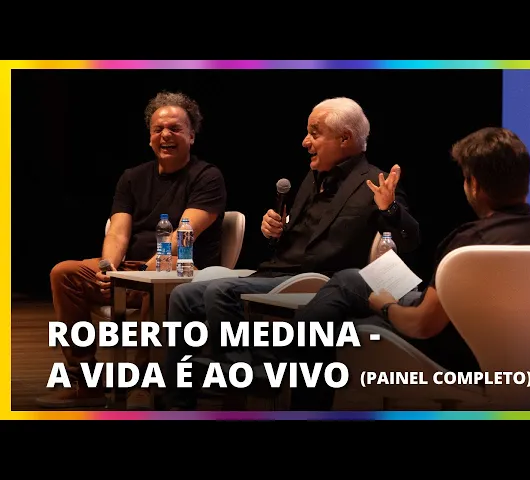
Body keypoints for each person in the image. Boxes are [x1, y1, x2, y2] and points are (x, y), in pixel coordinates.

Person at [162, 96, 421, 410]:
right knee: (183, 295)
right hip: (278, 272)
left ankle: (249, 387)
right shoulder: (312, 179)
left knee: (221, 291)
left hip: (320, 281)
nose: (305, 142)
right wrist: (276, 233)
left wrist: (390, 209)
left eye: (314, 133)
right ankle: (176, 404)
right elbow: (296, 243)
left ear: (344, 138)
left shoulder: (374, 183)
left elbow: (409, 241)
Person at [288, 126, 530, 410]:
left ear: (474, 184)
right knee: (352, 279)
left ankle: (292, 372)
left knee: (338, 314)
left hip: (450, 355)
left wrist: (386, 306)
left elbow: (422, 325)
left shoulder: (471, 245)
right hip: (494, 351)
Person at [36, 91, 227, 410]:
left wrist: (144, 272)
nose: (165, 135)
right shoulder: (132, 177)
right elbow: (118, 231)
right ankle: (84, 383)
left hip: (181, 273)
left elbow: (184, 234)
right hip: (131, 271)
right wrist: (108, 269)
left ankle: (144, 384)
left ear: (192, 135)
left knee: (159, 279)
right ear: (150, 137)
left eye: (175, 128)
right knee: (64, 273)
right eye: (158, 129)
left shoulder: (207, 177)